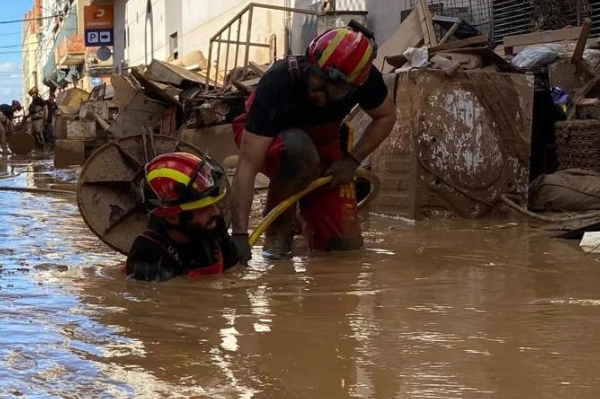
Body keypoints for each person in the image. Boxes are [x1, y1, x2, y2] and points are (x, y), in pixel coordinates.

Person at [229, 24, 397, 261]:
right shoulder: (278, 82)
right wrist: (238, 235)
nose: (319, 96)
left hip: (323, 139)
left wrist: (352, 160)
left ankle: (305, 218)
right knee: (300, 151)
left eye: (332, 93)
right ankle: (279, 230)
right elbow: (247, 165)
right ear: (310, 64)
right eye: (317, 85)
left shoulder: (365, 80)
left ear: (352, 88)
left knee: (343, 248)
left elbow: (387, 116)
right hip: (270, 138)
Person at [125, 152, 241, 282]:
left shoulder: (211, 224)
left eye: (214, 204)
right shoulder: (148, 257)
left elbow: (233, 272)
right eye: (203, 208)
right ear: (171, 217)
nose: (216, 212)